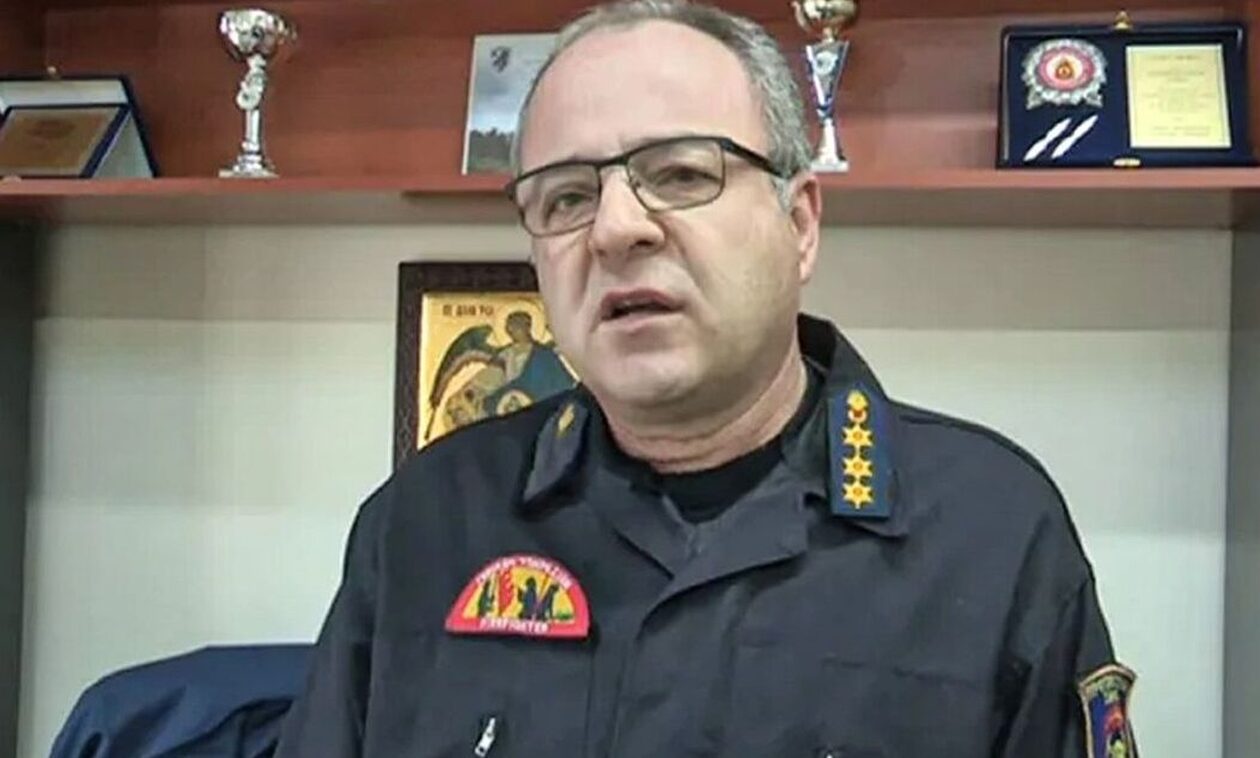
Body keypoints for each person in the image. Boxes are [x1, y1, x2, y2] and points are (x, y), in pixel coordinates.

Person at [275, 1, 1138, 756]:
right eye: (566, 196)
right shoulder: (424, 521)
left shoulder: (991, 532)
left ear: (799, 225)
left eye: (683, 174)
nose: (615, 230)